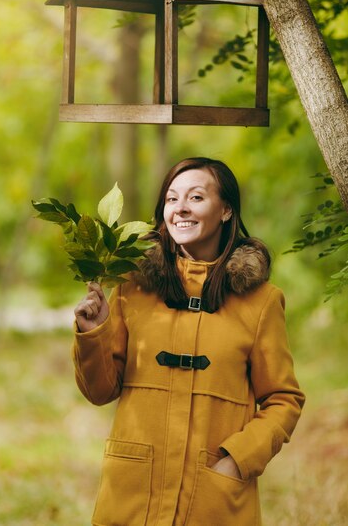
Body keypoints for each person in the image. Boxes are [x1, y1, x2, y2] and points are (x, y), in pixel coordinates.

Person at [73, 156, 305, 526]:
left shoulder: (261, 301)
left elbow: (284, 400)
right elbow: (100, 390)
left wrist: (237, 460)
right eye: (171, 198)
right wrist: (93, 332)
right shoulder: (132, 286)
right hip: (133, 492)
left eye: (196, 197)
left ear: (226, 209)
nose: (180, 208)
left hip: (212, 497)